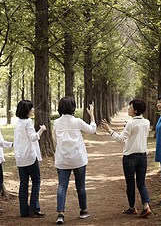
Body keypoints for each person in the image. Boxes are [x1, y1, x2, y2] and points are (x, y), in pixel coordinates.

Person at [101, 99, 152, 218]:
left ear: (136, 110)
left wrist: (108, 130)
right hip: (143, 156)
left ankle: (132, 207)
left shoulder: (131, 124)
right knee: (141, 183)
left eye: (130, 108)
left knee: (130, 183)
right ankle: (146, 206)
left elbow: (120, 139)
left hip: (130, 157)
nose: (128, 109)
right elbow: (140, 135)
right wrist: (127, 128)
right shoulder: (147, 122)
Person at [53, 96, 96, 225]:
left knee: (62, 186)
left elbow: (55, 139)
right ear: (73, 108)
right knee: (80, 186)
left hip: (62, 160)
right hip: (78, 159)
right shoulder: (77, 121)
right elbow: (92, 130)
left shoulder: (56, 122)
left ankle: (60, 214)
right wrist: (92, 115)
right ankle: (83, 210)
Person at [14, 100, 46, 217]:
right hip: (30, 157)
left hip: (20, 158)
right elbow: (34, 137)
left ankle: (24, 211)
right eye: (31, 108)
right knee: (36, 181)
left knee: (23, 184)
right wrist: (42, 129)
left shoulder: (18, 122)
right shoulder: (28, 122)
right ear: (27, 110)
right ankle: (34, 209)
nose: (33, 110)